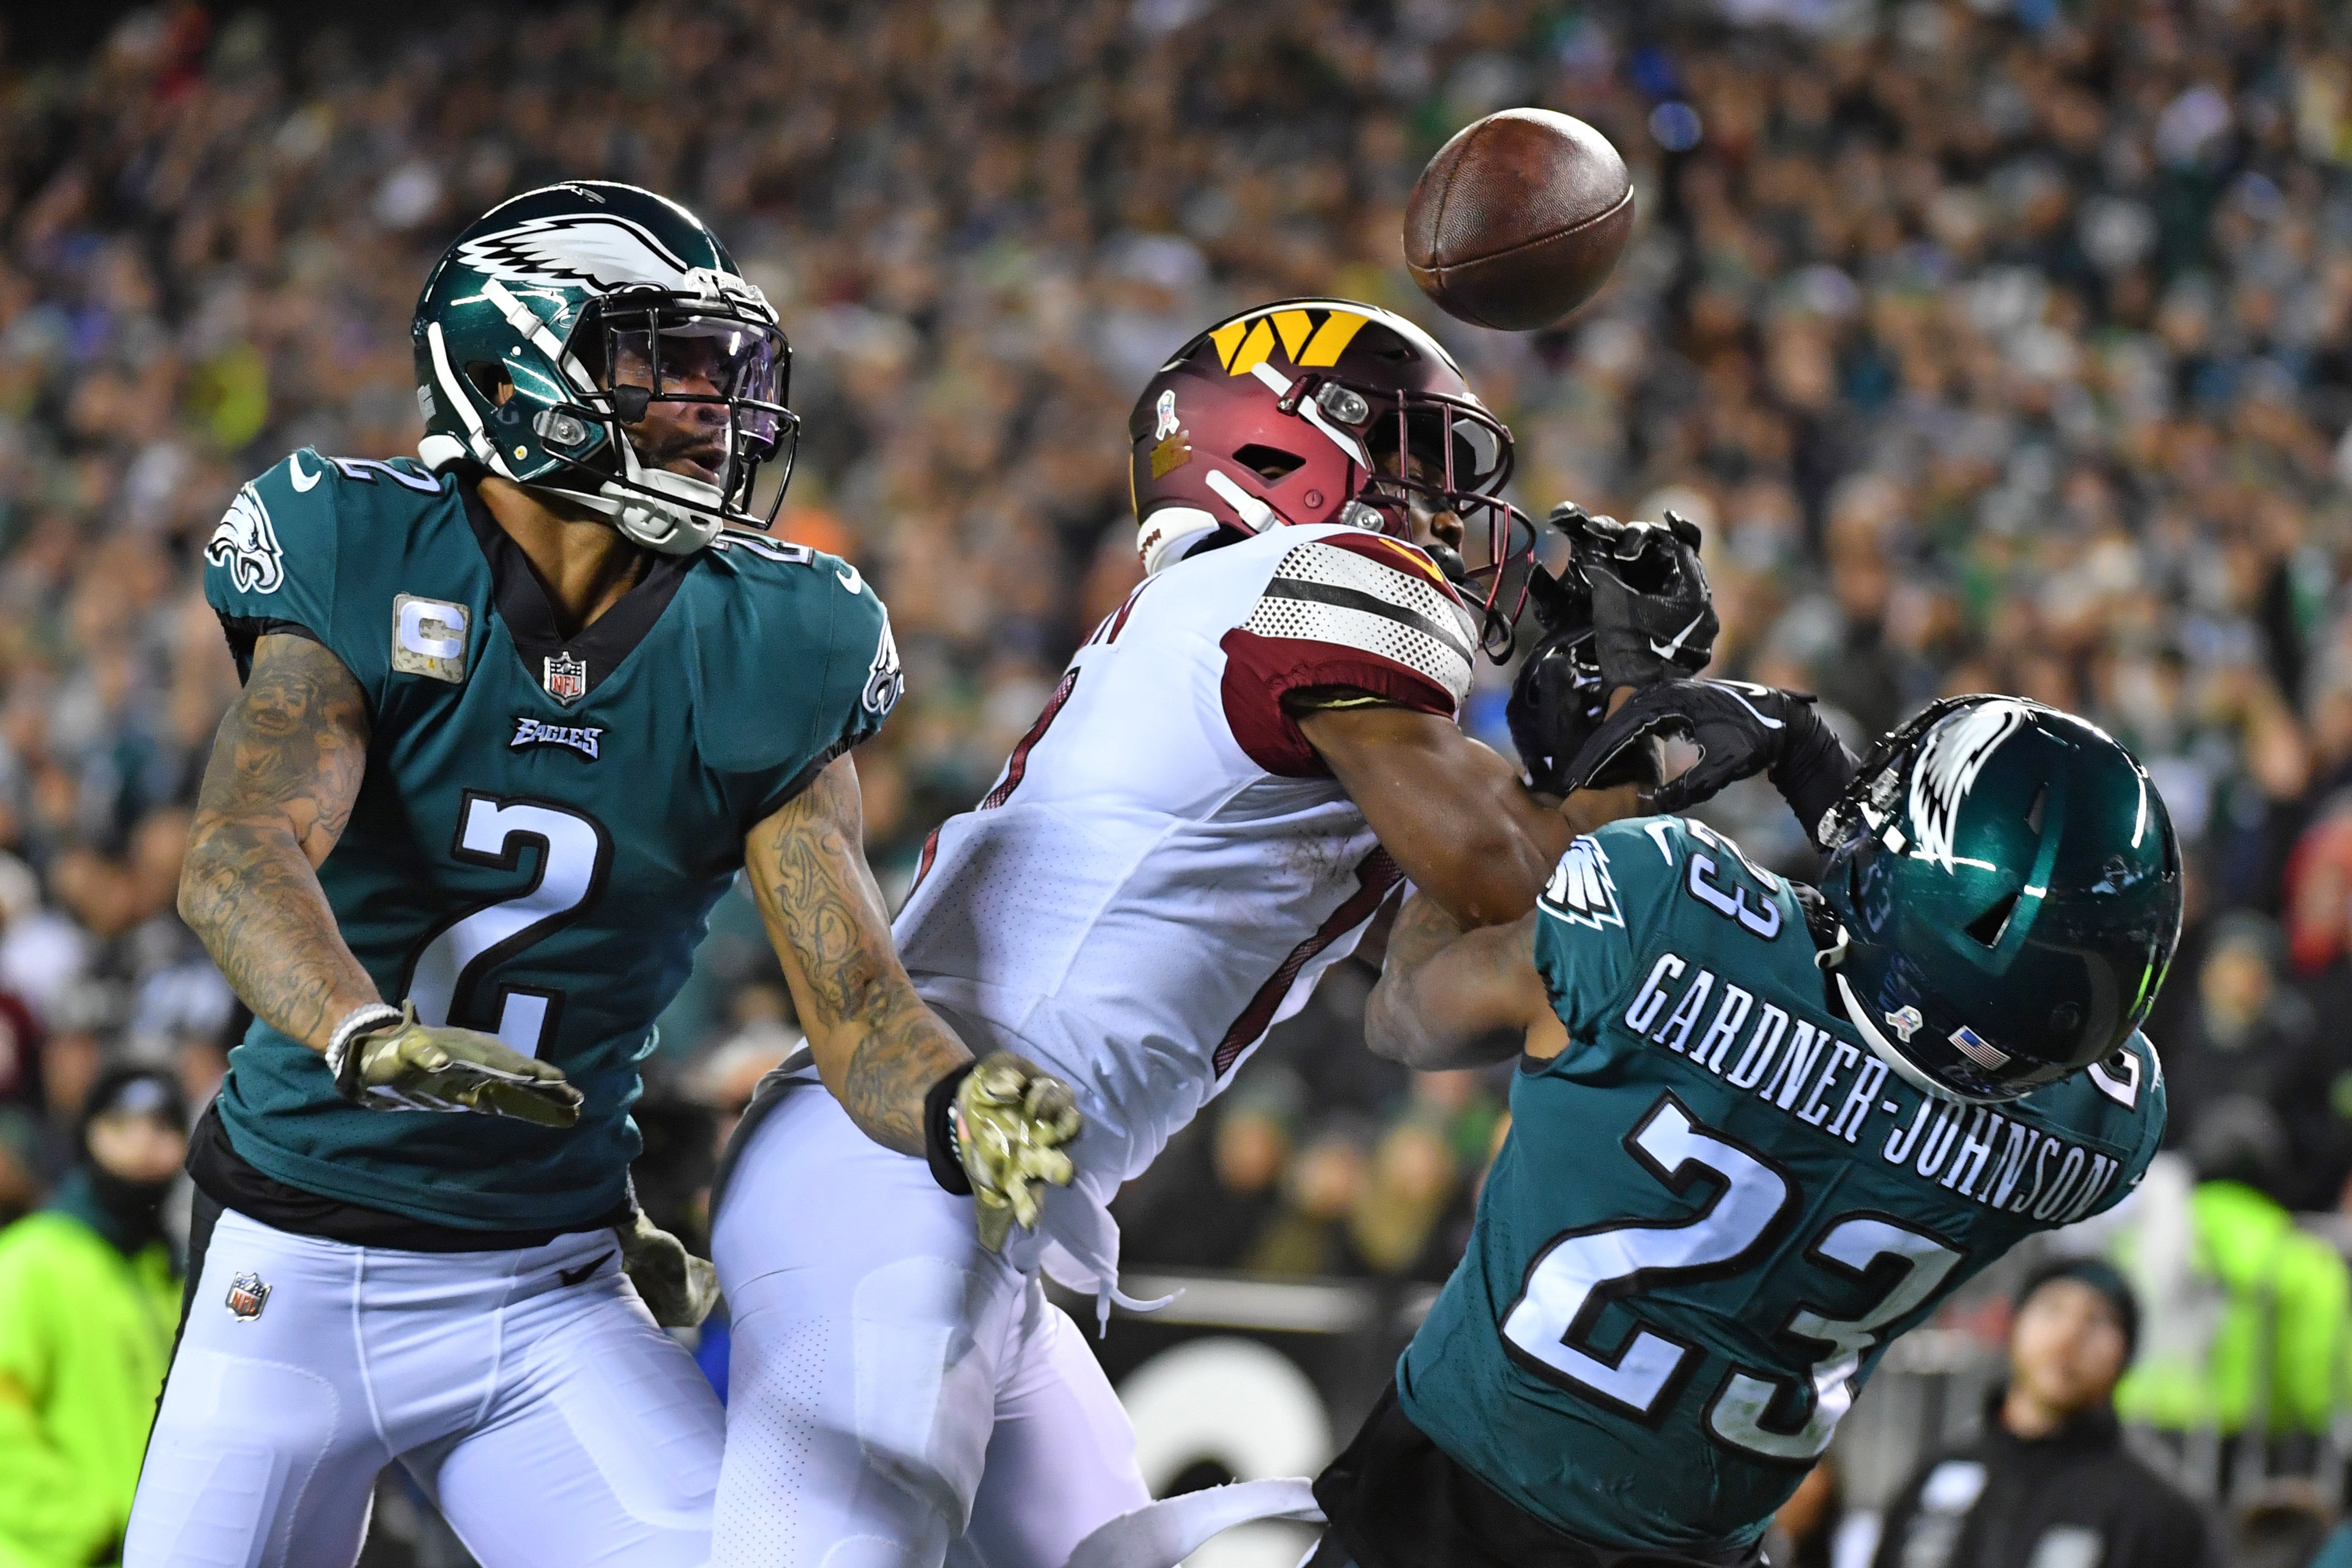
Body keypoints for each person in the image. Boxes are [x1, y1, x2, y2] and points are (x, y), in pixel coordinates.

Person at [707, 298, 1815, 1565]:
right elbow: (1510, 876)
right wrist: (1623, 731)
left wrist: (1601, 756)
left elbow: (1422, 994)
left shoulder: (1257, 637)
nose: (1446, 513)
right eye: (1415, 460)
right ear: (1278, 451)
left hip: (963, 1197)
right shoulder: (1322, 579)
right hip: (904, 1166)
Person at [125, 182, 1079, 1568]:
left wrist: (955, 1100)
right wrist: (365, 1031)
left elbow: (857, 999)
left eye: (724, 370)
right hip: (297, 1262)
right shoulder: (363, 546)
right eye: (666, 365)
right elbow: (238, 851)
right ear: (513, 372)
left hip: (539, 1281)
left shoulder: (776, 635)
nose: (713, 408)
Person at [1309, 692, 2183, 1568]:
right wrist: (1847, 818)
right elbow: (1969, 987)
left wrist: (1580, 792)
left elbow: (1408, 1014)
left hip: (1441, 1512)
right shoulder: (2097, 1131)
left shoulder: (1663, 912)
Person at [1873, 1258, 2213, 1568]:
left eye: (2097, 1321)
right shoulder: (1938, 1475)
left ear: (2125, 1356)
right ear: (2012, 1326)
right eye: (2053, 1310)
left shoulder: (2158, 1514)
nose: (2069, 1337)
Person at [0, 1066, 186, 1568]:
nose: (145, 1146)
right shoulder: (30, 1261)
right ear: (88, 1137)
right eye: (122, 1126)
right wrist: (90, 1530)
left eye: (165, 1127)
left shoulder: (171, 1273)